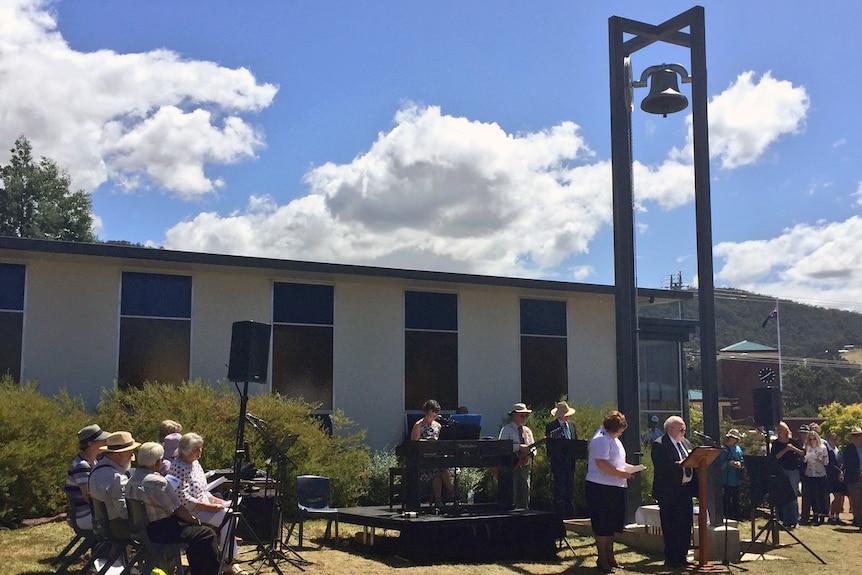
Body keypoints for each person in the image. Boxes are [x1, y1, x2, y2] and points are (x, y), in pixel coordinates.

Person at [126, 442, 222, 575]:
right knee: (206, 534)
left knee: (196, 534)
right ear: (157, 462)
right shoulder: (157, 482)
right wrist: (195, 521)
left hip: (144, 530)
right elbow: (178, 509)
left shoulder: (131, 480)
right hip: (161, 531)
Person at [170, 433, 238, 558]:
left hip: (203, 502)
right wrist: (209, 507)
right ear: (186, 451)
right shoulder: (178, 467)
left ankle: (225, 554)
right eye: (196, 449)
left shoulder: (195, 463)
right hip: (192, 510)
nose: (200, 451)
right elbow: (183, 498)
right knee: (229, 517)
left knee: (232, 514)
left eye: (200, 448)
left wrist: (214, 500)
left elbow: (201, 488)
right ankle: (227, 558)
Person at [585, 410, 632, 572]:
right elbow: (602, 463)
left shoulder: (614, 439)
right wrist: (622, 473)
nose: (621, 432)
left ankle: (610, 556)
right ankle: (602, 558)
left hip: (616, 486)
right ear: (612, 428)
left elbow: (616, 461)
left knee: (612, 524)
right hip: (600, 487)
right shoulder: (601, 439)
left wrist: (627, 470)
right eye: (620, 429)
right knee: (602, 524)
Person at [650, 415, 697, 569]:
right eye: (681, 429)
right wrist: (682, 464)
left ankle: (682, 557)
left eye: (684, 429)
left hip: (685, 491)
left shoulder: (686, 443)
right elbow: (663, 467)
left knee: (685, 525)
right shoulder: (659, 444)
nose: (684, 432)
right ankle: (671, 559)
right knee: (671, 525)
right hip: (669, 492)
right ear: (670, 429)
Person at [88, 430, 141, 539]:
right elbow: (124, 513)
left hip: (102, 525)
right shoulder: (117, 478)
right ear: (119, 454)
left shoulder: (95, 471)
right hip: (118, 527)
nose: (132, 455)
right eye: (129, 452)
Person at [409, 399, 454, 508]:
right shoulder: (418, 425)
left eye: (435, 416)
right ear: (426, 413)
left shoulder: (438, 426)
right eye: (431, 415)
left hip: (436, 457)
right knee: (439, 469)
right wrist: (427, 442)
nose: (433, 418)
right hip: (423, 460)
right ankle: (452, 492)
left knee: (438, 470)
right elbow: (413, 445)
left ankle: (438, 501)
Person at [65, 424, 110, 531]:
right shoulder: (82, 466)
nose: (105, 443)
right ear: (91, 444)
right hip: (85, 515)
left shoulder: (94, 461)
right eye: (102, 440)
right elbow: (88, 496)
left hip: (90, 512)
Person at [498, 402, 535, 509]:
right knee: (512, 490)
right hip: (511, 464)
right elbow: (503, 446)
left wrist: (530, 452)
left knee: (525, 489)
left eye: (526, 415)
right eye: (522, 415)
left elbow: (532, 446)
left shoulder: (527, 431)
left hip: (525, 464)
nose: (524, 418)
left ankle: (524, 510)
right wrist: (519, 447)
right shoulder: (506, 430)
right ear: (514, 415)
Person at [545, 400, 578, 519]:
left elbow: (575, 443)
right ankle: (559, 516)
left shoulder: (572, 425)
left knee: (570, 489)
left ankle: (570, 516)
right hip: (558, 464)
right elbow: (551, 446)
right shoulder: (551, 427)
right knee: (559, 490)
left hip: (570, 463)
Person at [770, 421, 804, 529]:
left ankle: (795, 519)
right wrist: (786, 449)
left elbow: (803, 453)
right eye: (778, 430)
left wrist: (793, 448)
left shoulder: (793, 441)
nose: (779, 432)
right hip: (781, 471)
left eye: (781, 429)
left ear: (786, 431)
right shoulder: (776, 444)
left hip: (793, 471)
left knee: (793, 495)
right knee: (784, 495)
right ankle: (785, 519)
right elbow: (775, 457)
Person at [802, 429, 828, 525]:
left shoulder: (823, 448)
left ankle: (822, 515)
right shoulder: (807, 447)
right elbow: (804, 461)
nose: (812, 441)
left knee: (821, 495)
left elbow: (826, 462)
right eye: (810, 439)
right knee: (813, 495)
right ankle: (815, 514)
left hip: (820, 474)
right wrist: (807, 456)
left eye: (814, 439)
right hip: (810, 473)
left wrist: (817, 459)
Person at [718, 428, 744, 521]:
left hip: (736, 477)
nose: (734, 439)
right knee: (727, 497)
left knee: (736, 497)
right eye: (732, 437)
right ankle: (727, 515)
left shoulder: (738, 449)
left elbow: (741, 459)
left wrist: (739, 464)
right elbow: (719, 464)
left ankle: (736, 515)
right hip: (727, 478)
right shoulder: (723, 449)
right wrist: (729, 464)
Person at [841, 426, 862, 528]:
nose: (856, 437)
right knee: (856, 502)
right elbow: (847, 464)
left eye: (858, 435)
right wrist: (858, 472)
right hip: (854, 479)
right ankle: (859, 522)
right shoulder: (848, 449)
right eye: (854, 435)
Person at [826, 432, 847, 525]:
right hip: (832, 477)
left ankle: (837, 516)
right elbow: (830, 465)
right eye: (832, 439)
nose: (834, 441)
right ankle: (831, 516)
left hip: (840, 478)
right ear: (828, 439)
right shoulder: (827, 451)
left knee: (840, 497)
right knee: (837, 497)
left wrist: (842, 472)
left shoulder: (838, 451)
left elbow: (841, 463)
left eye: (835, 439)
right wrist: (838, 472)